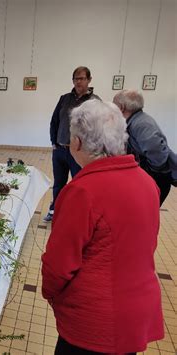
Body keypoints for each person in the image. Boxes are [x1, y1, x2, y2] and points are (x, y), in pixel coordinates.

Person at [41, 100, 164, 354]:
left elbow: (59, 266)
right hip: (135, 315)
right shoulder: (147, 182)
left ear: (77, 143)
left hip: (93, 324)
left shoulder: (82, 191)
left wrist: (52, 295)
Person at [43, 66, 100, 222]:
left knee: (80, 186)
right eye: (75, 78)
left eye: (81, 78)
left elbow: (98, 129)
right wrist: (54, 142)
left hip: (81, 154)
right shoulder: (64, 99)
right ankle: (55, 210)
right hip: (60, 150)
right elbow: (54, 121)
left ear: (89, 80)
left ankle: (78, 215)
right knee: (59, 185)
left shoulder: (95, 102)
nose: (78, 81)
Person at [113, 89, 176, 206]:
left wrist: (150, 173)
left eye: (114, 104)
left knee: (145, 212)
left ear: (121, 107)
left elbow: (158, 154)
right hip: (154, 176)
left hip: (157, 178)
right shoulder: (136, 121)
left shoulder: (142, 124)